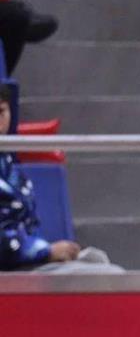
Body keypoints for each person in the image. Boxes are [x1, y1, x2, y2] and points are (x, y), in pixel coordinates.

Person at [0, 83, 121, 273]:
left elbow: (28, 228)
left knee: (96, 260)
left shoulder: (10, 169)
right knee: (109, 275)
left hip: (27, 264)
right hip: (12, 269)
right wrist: (46, 251)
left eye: (1, 112)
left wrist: (52, 252)